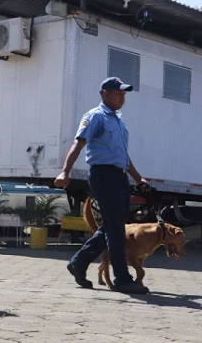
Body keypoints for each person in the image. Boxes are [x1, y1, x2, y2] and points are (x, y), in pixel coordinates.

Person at [55, 77, 150, 295]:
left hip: (119, 177)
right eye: (119, 94)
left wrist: (138, 178)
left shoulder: (118, 120)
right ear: (105, 94)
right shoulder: (95, 116)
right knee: (116, 229)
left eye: (124, 95)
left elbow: (122, 156)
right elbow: (78, 143)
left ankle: (78, 263)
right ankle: (122, 279)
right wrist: (65, 171)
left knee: (112, 226)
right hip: (103, 176)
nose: (122, 98)